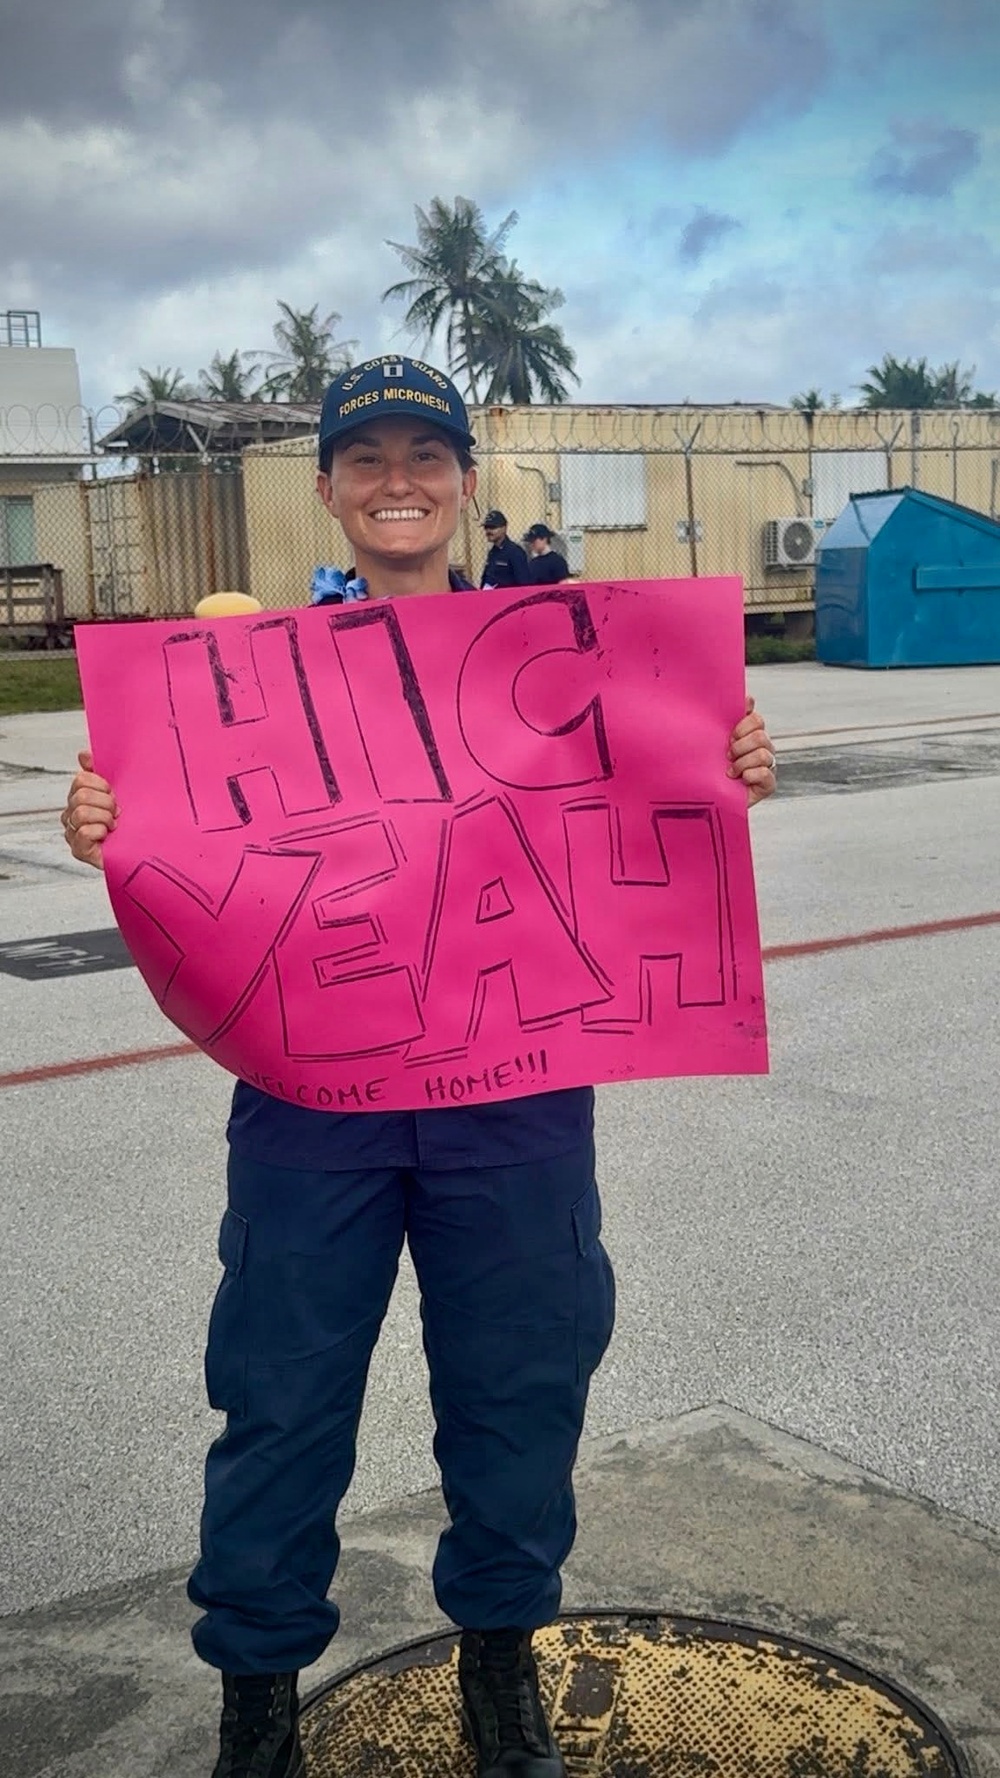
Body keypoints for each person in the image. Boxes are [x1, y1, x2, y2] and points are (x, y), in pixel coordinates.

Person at [61, 353, 777, 1778]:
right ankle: (257, 1696)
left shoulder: (555, 648)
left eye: (425, 456)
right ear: (326, 487)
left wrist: (722, 754)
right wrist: (110, 817)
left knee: (519, 1386)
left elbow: (642, 790)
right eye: (368, 458)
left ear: (462, 482)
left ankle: (500, 1664)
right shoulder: (249, 669)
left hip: (512, 1096)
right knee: (279, 1390)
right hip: (311, 1098)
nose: (399, 481)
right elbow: (188, 840)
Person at [480, 509, 531, 588]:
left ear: (504, 528)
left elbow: (524, 584)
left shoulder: (515, 552)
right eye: (486, 527)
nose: (488, 531)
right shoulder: (492, 552)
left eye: (493, 527)